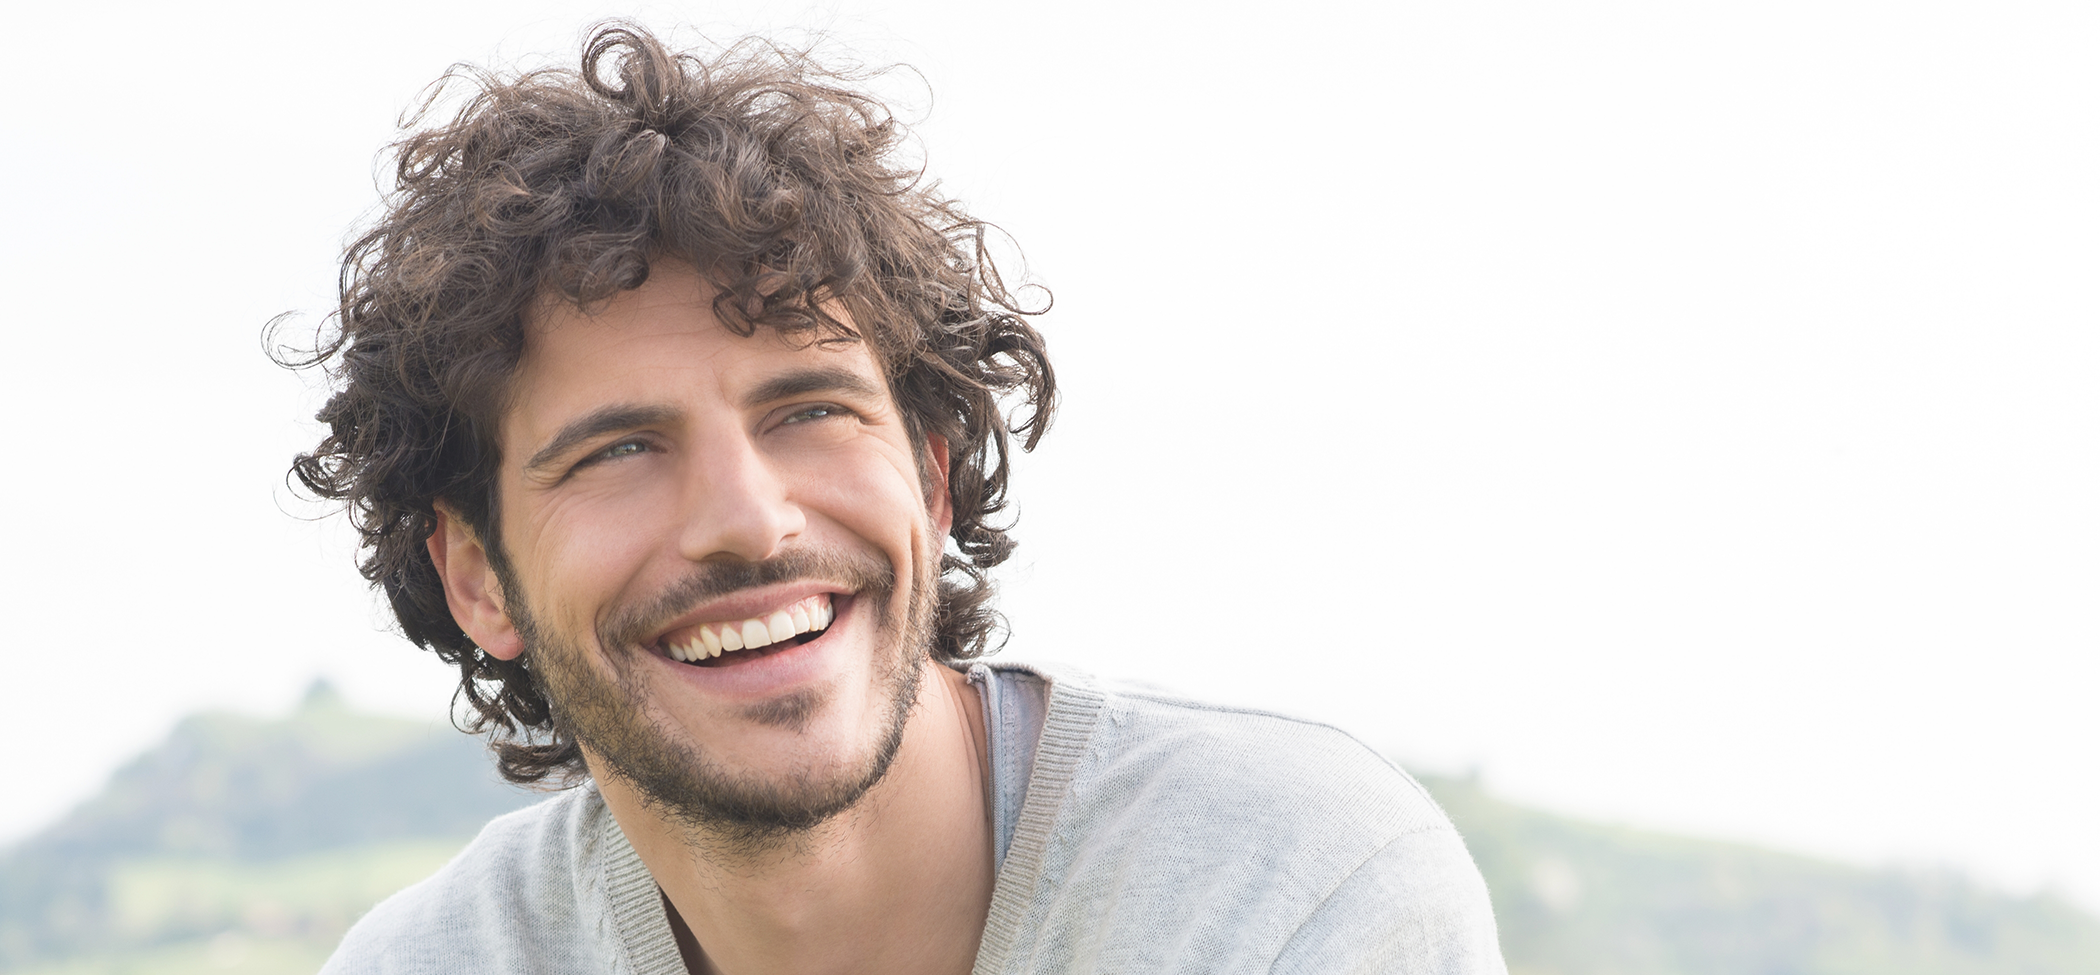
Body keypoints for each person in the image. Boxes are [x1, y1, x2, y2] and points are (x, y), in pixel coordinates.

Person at [289, 21, 1506, 975]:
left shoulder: (1287, 893)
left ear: (929, 475)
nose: (750, 521)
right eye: (618, 451)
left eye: (810, 411)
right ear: (476, 578)